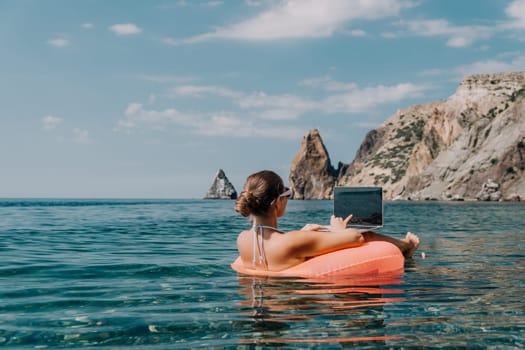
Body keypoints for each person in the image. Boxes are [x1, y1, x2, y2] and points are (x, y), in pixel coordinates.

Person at [234, 170, 420, 272]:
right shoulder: (292, 241)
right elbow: (356, 238)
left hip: (265, 302)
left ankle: (405, 246)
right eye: (287, 194)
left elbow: (276, 244)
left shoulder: (242, 239)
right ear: (277, 203)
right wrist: (338, 229)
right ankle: (405, 246)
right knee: (367, 233)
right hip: (299, 305)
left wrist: (302, 234)